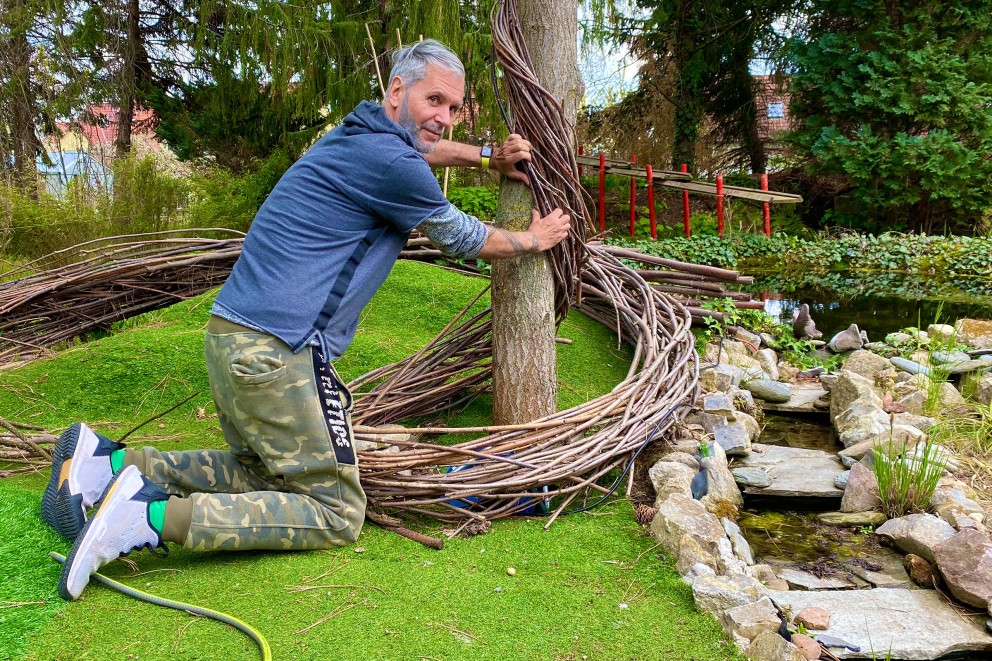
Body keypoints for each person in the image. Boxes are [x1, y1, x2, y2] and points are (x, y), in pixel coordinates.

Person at [44, 39, 571, 601]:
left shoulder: (362, 137)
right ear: (397, 91)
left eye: (454, 107)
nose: (444, 117)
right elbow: (460, 236)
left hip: (233, 341)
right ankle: (145, 521)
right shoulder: (389, 160)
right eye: (434, 100)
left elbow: (423, 152)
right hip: (278, 352)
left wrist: (488, 157)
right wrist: (533, 239)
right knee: (338, 511)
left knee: (263, 476)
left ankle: (107, 463)